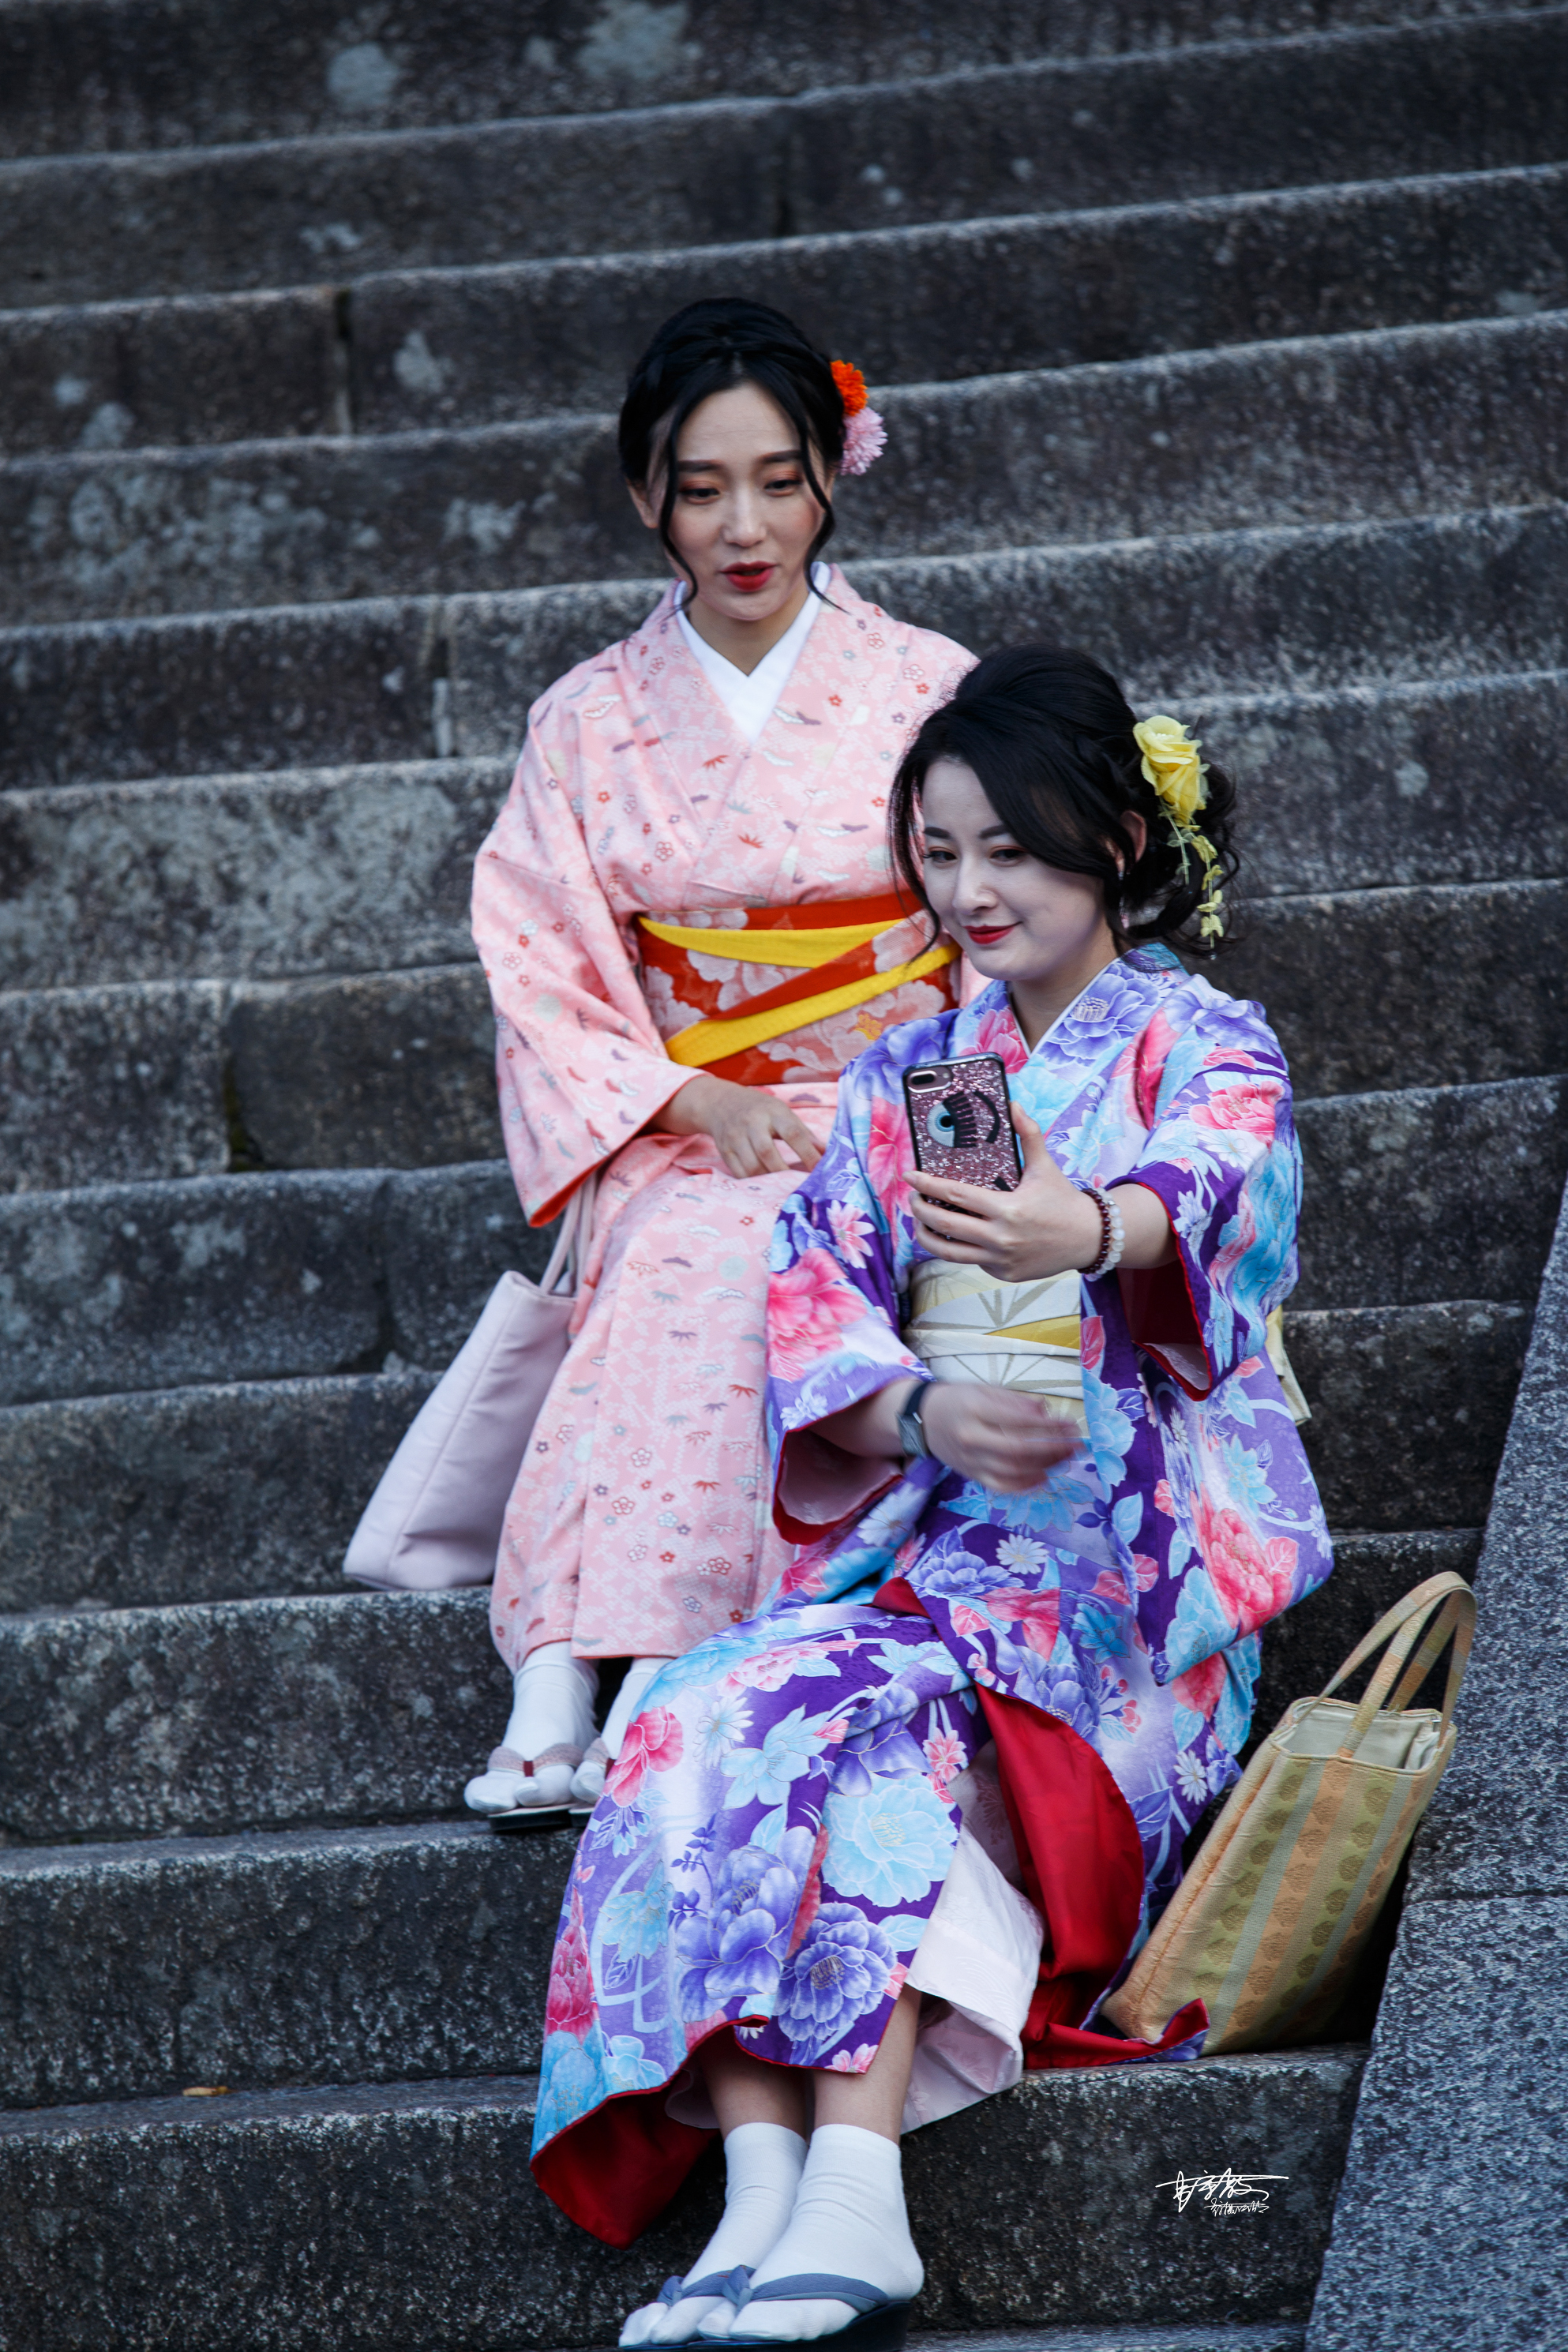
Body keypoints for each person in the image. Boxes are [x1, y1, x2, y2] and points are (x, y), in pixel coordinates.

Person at [527, 646, 1334, 2347]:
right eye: (943, 852)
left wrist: (1091, 1229)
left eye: (1013, 852)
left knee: (875, 1743)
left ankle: (861, 2194)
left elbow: (1215, 1186)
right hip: (949, 1549)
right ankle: (756, 2199)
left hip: (1132, 1598)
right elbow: (823, 1287)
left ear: (1117, 840)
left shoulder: (1198, 1036)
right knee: (693, 1703)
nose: (970, 892)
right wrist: (920, 1408)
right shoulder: (934, 1071)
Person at [463, 300, 973, 1814]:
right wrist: (685, 1094)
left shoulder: (927, 683)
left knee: (758, 1252)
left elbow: (991, 927)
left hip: (898, 1096)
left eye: (778, 479)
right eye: (701, 488)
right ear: (646, 497)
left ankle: (650, 1677)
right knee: (680, 1243)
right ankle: (569, 1662)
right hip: (691, 1110)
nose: (744, 525)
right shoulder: (586, 721)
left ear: (834, 472)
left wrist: (949, 1136)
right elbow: (539, 956)